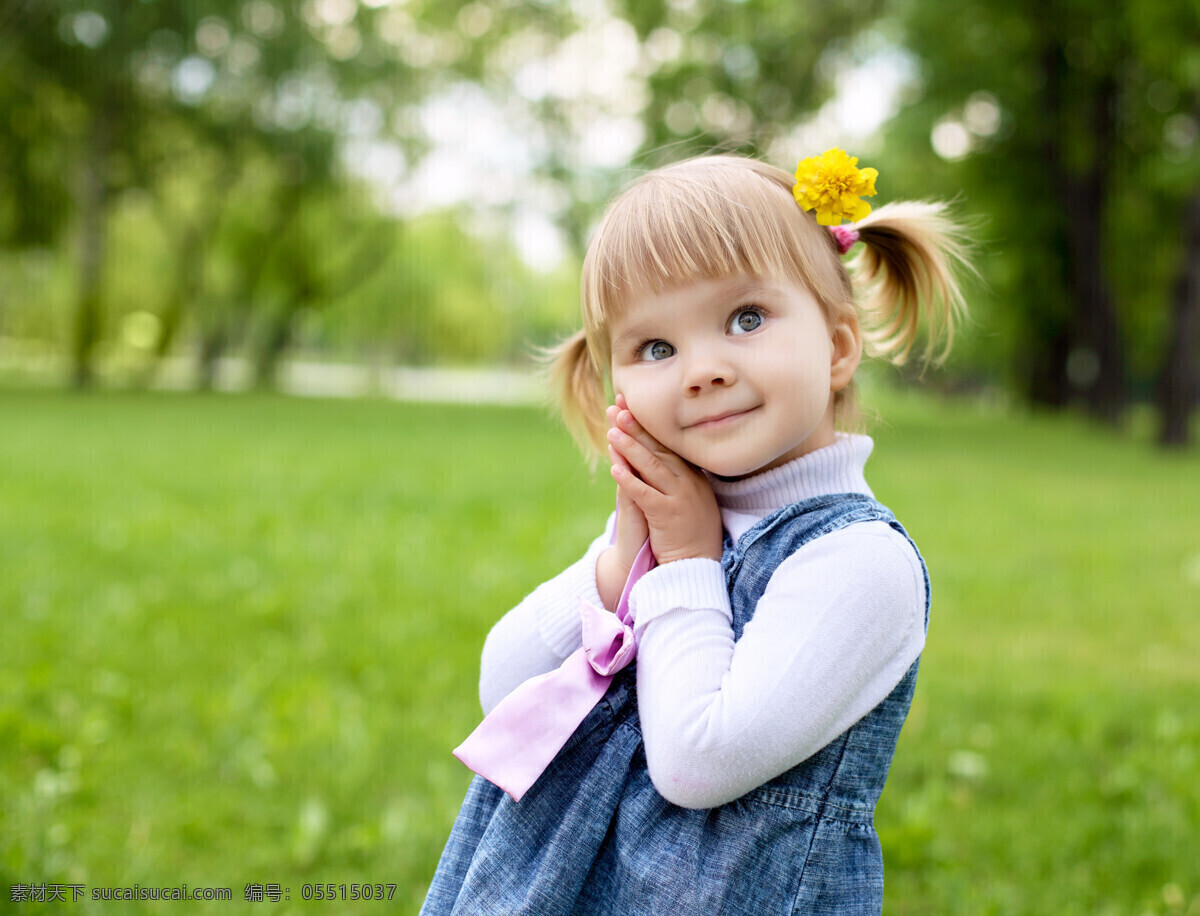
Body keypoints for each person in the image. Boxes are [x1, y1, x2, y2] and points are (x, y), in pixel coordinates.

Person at [421, 150, 973, 915]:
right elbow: (502, 689)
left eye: (746, 319)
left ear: (840, 347)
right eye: (656, 348)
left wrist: (682, 559)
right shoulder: (675, 524)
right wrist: (622, 562)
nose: (700, 370)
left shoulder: (859, 563)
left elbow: (696, 763)